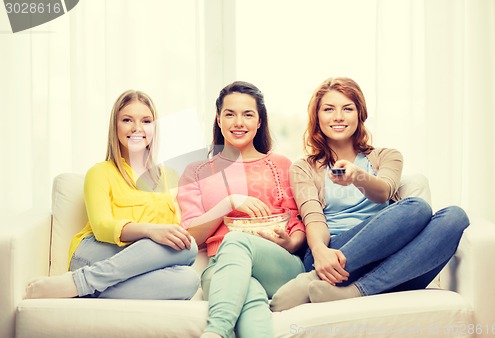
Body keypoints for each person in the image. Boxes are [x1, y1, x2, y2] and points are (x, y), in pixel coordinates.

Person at [270, 77, 470, 311]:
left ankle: (355, 292)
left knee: (455, 216)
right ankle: (317, 276)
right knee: (418, 208)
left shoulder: (387, 156)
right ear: (317, 116)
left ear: (360, 114)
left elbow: (384, 192)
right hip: (335, 258)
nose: (338, 116)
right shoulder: (304, 167)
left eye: (347, 108)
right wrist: (320, 252)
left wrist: (357, 176)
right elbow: (313, 217)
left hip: (392, 264)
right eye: (328, 109)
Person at [25, 90, 199, 300]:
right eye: (127, 120)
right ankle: (82, 281)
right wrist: (150, 231)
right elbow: (101, 227)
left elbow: (176, 233)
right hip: (97, 252)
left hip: (141, 259)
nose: (137, 128)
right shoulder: (100, 172)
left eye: (146, 121)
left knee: (188, 275)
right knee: (185, 247)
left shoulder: (170, 175)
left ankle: (80, 286)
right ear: (115, 126)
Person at [177, 81, 306, 338]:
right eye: (230, 114)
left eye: (248, 114)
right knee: (251, 296)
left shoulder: (281, 165)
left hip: (279, 264)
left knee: (236, 240)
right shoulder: (197, 171)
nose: (239, 122)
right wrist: (228, 204)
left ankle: (216, 332)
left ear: (259, 121)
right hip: (220, 267)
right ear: (218, 118)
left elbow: (299, 224)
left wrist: (290, 243)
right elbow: (191, 237)